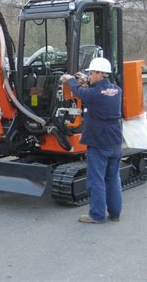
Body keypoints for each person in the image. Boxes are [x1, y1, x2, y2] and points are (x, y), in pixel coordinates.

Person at [60, 57, 123, 224]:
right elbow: (97, 91)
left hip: (98, 142)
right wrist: (86, 79)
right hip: (115, 141)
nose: (90, 75)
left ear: (101, 74)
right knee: (112, 178)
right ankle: (115, 213)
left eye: (92, 72)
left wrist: (71, 80)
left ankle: (97, 215)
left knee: (96, 179)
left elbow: (80, 92)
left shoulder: (93, 94)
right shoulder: (117, 90)